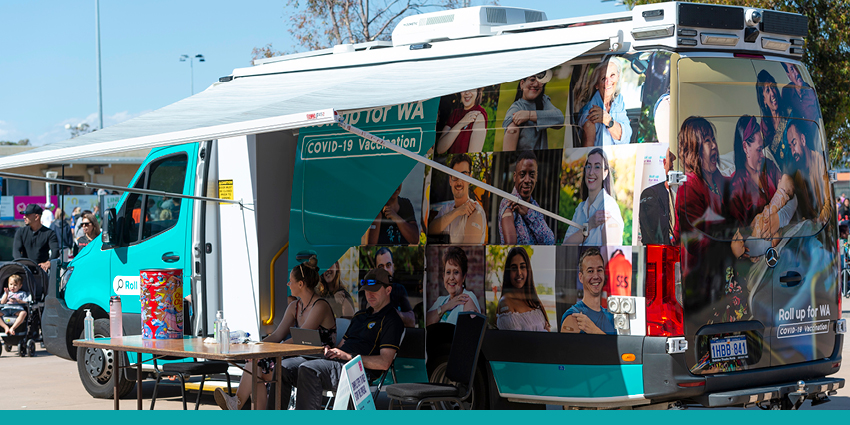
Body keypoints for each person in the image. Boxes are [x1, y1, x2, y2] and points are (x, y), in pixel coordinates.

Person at [272, 268, 403, 410]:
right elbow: (342, 345)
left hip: (356, 370)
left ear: (388, 290)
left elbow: (384, 363)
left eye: (375, 290)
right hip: (337, 363)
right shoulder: (360, 316)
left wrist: (349, 357)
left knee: (309, 369)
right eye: (366, 289)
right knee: (283, 367)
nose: (369, 294)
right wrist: (330, 350)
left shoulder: (391, 320)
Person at [215, 260, 336, 410]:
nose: (287, 284)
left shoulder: (320, 306)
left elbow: (300, 339)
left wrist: (270, 351)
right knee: (254, 364)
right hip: (296, 355)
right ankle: (241, 405)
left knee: (257, 368)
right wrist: (257, 347)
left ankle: (238, 403)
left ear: (300, 284)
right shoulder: (295, 306)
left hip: (315, 358)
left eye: (290, 281)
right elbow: (278, 334)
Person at [728, 116, 795, 259]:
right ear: (745, 147)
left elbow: (791, 196)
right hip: (757, 253)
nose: (762, 155)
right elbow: (737, 240)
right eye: (759, 150)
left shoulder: (768, 166)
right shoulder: (736, 186)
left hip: (781, 247)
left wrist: (779, 218)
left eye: (762, 148)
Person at [563, 148, 624, 246]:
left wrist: (581, 232)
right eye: (589, 166)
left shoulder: (608, 206)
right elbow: (565, 245)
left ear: (605, 173)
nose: (591, 172)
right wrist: (589, 225)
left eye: (597, 167)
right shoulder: (580, 208)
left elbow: (610, 253)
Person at [498, 151, 555, 245]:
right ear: (515, 177)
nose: (527, 180)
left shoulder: (535, 206)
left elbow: (550, 241)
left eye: (532, 175)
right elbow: (510, 245)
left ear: (536, 178)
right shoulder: (508, 202)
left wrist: (528, 213)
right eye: (522, 174)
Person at [428, 154, 487, 244]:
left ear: (470, 179)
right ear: (450, 180)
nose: (459, 181)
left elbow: (468, 252)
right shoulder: (446, 208)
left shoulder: (475, 211)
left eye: (463, 176)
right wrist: (456, 212)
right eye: (455, 176)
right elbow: (430, 230)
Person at [502, 71, 564, 151]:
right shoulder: (517, 107)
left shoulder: (543, 101)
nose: (535, 84)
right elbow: (512, 130)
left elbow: (559, 119)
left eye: (540, 81)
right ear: (522, 84)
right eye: (532, 80)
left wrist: (529, 115)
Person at [560, 248, 616, 335]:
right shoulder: (574, 316)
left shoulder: (611, 317)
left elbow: (617, 348)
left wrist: (594, 331)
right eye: (590, 271)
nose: (596, 276)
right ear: (581, 277)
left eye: (599, 270)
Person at [786, 119, 831, 224]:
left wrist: (818, 222)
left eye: (794, 143)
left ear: (802, 139)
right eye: (790, 146)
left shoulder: (820, 163)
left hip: (823, 229)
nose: (793, 151)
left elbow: (829, 203)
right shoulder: (797, 175)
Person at [579, 60, 632, 146]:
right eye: (603, 78)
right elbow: (588, 152)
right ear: (596, 84)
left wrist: (608, 120)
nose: (608, 82)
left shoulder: (618, 100)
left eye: (612, 75)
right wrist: (615, 126)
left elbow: (626, 137)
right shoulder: (590, 112)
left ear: (618, 77)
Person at [496, 247, 550, 332]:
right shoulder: (505, 302)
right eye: (514, 268)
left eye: (522, 267)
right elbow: (517, 341)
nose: (519, 273)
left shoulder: (532, 299)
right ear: (508, 272)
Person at [358, 248, 415, 327]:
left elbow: (412, 321)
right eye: (381, 267)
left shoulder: (399, 289)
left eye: (388, 265)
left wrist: (395, 313)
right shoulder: (368, 292)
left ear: (393, 267)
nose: (385, 270)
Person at [426, 247, 481, 326]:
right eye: (448, 272)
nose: (451, 278)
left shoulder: (467, 297)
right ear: (443, 276)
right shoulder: (441, 301)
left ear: (463, 277)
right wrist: (447, 306)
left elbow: (468, 331)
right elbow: (426, 322)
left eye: (456, 272)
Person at [639, 148, 677, 245]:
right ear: (665, 163)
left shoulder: (695, 193)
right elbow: (655, 239)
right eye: (672, 159)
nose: (675, 164)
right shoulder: (650, 194)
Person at [757, 70, 792, 167]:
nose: (772, 93)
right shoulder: (764, 125)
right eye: (767, 90)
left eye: (773, 87)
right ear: (763, 99)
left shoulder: (789, 114)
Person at [437, 88, 488, 154]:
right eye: (464, 88)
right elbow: (440, 149)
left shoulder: (479, 115)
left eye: (471, 88)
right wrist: (460, 124)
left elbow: (472, 154)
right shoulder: (455, 113)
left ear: (477, 91)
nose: (467, 93)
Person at [13, 204, 59, 272]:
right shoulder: (20, 232)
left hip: (42, 271)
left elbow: (56, 251)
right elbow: (16, 252)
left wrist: (48, 262)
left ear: (36, 217)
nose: (24, 217)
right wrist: (23, 265)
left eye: (27, 215)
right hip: (25, 271)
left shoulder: (49, 233)